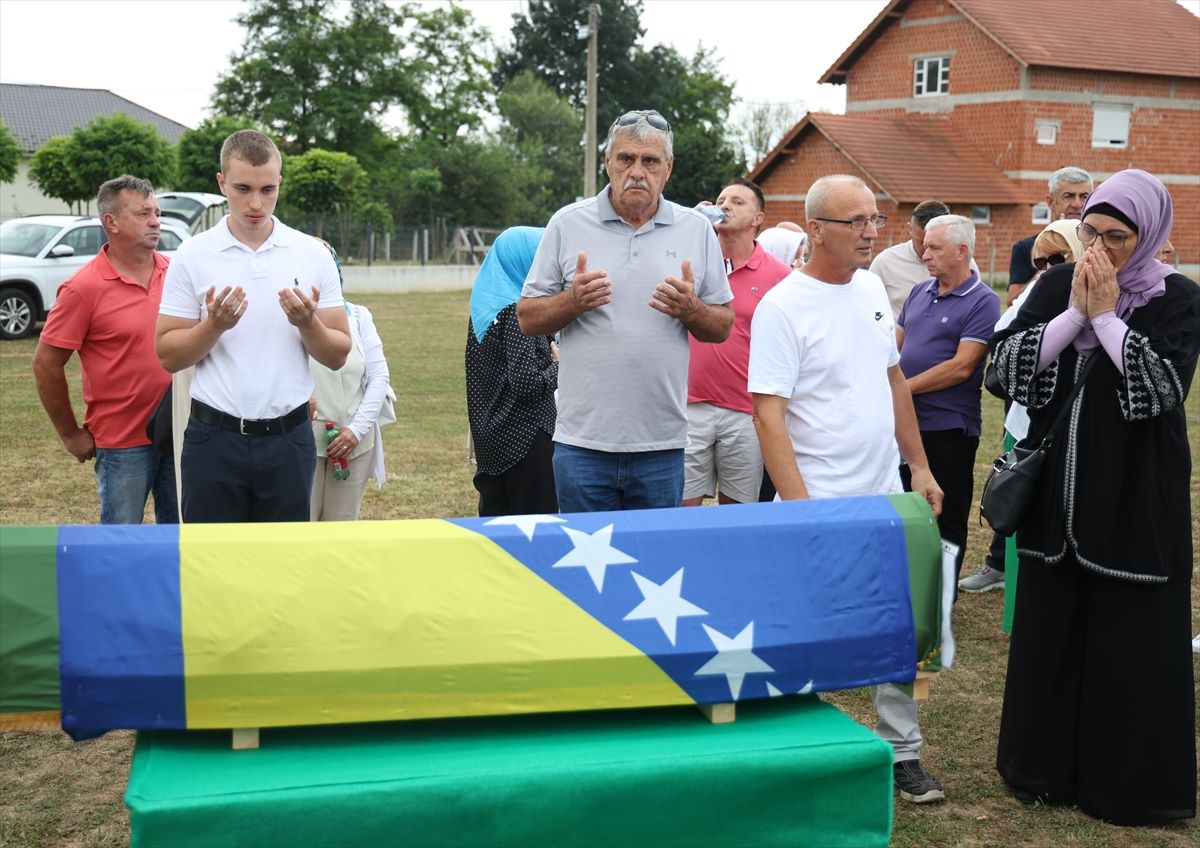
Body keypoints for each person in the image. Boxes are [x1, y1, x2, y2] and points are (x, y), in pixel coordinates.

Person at [991, 169, 1198, 825]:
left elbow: (1160, 389)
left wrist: (1106, 318)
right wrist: (1073, 316)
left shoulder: (1177, 301)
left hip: (1138, 497)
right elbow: (1001, 368)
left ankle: (1127, 787)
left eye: (1117, 237)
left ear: (1149, 237)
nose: (1100, 251)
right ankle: (1040, 770)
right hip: (1057, 500)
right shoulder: (1055, 285)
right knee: (1051, 636)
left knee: (1129, 645)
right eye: (1091, 234)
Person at [748, 174, 946, 805]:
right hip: (817, 501)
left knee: (894, 628)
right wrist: (801, 507)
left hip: (883, 496)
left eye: (873, 220)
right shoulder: (783, 307)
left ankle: (902, 752)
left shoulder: (870, 289)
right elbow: (768, 412)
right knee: (806, 631)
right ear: (815, 229)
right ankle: (799, 753)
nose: (868, 233)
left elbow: (893, 381)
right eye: (854, 222)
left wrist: (919, 467)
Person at [518, 109, 733, 513]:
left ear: (667, 169)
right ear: (607, 164)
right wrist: (573, 300)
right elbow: (528, 318)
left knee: (654, 570)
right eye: (625, 159)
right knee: (586, 572)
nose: (637, 172)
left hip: (662, 445)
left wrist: (690, 309)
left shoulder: (696, 229)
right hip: (582, 443)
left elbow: (722, 326)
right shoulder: (567, 223)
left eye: (650, 161)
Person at [156, 130, 350, 523]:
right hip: (213, 438)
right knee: (210, 564)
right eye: (243, 188)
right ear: (221, 182)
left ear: (280, 183)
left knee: (283, 568)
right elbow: (168, 356)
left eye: (268, 189)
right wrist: (213, 326)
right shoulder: (192, 254)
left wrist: (308, 323)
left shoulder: (312, 254)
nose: (256, 203)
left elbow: (338, 355)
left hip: (288, 439)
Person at [32, 175, 178, 525]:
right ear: (110, 222)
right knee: (120, 543)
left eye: (156, 212)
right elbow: (45, 365)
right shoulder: (83, 288)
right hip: (122, 444)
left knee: (180, 543)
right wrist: (69, 434)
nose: (156, 221)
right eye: (143, 213)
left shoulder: (176, 275)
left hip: (181, 434)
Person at [961, 218, 1084, 593]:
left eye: (1057, 258)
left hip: (1086, 427)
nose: (1047, 269)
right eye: (1040, 263)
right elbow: (1004, 339)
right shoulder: (1041, 290)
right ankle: (1007, 575)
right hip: (1033, 421)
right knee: (1025, 498)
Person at [896, 214, 999, 581]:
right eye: (925, 246)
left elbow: (962, 367)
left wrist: (901, 389)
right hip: (903, 423)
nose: (926, 254)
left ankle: (940, 603)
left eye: (934, 248)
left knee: (945, 517)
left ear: (962, 250)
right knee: (903, 509)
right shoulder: (918, 291)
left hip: (947, 427)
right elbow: (895, 349)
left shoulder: (983, 301)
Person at [683, 179, 791, 507]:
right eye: (721, 199)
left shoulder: (781, 276)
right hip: (688, 405)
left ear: (759, 218)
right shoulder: (689, 262)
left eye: (738, 201)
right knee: (679, 511)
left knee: (738, 515)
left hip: (746, 411)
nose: (726, 205)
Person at [466, 226, 559, 516]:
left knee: (499, 543)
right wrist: (559, 366)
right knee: (537, 541)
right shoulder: (516, 313)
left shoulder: (484, 309)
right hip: (527, 442)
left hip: (492, 442)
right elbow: (527, 384)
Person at [309, 239, 391, 521]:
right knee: (299, 533)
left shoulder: (358, 316)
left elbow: (379, 377)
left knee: (340, 534)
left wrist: (355, 431)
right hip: (303, 445)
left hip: (354, 445)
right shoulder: (287, 318)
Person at [870, 200, 980, 319]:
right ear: (910, 229)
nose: (926, 254)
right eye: (922, 242)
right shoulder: (885, 263)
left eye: (935, 246)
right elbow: (868, 306)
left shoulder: (965, 265)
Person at [1008, 166, 1092, 305]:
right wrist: (1047, 268)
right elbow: (1012, 302)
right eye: (1069, 196)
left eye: (1084, 197)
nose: (1078, 204)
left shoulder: (1101, 245)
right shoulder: (1026, 247)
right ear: (1051, 202)